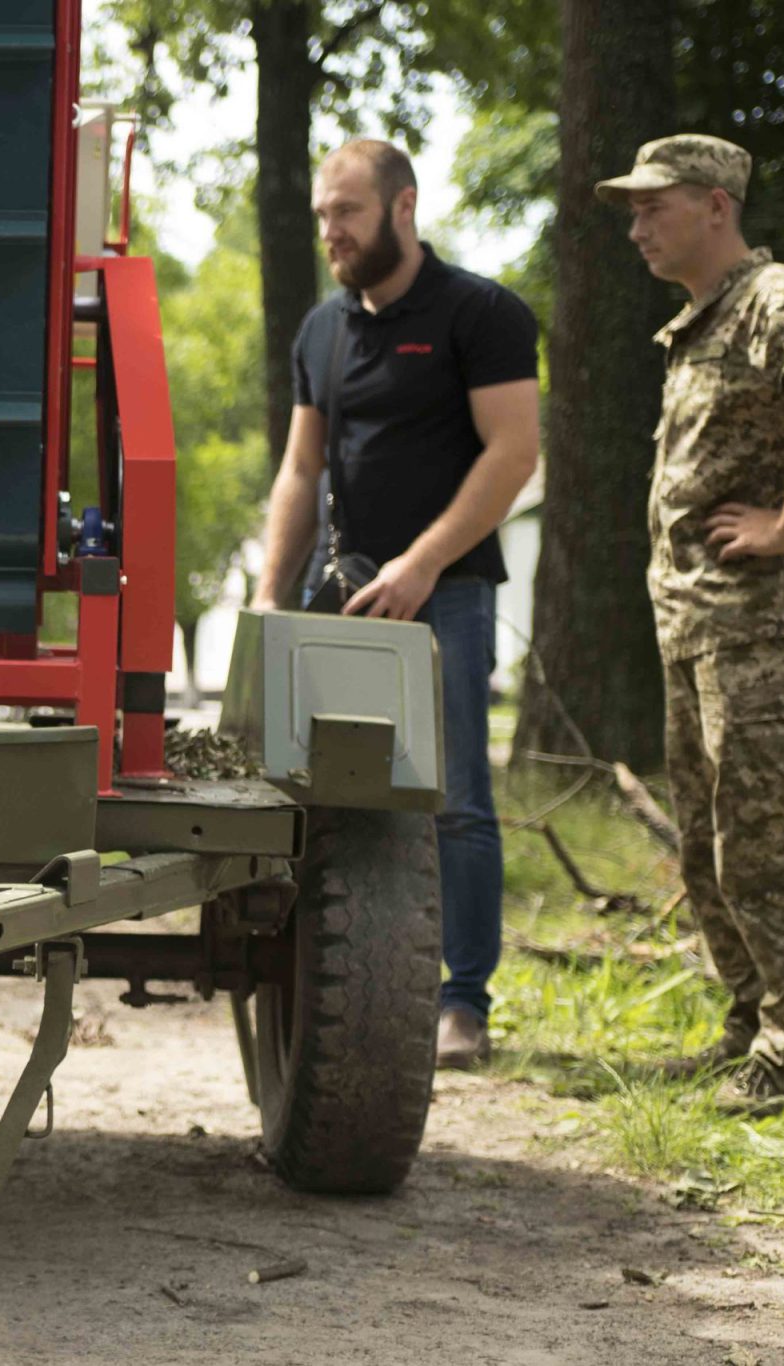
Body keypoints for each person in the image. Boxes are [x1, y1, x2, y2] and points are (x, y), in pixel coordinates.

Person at [596, 134, 784, 1112]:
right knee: (708, 850)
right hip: (699, 630)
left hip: (765, 631)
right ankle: (750, 1027)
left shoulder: (776, 300)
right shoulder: (698, 322)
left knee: (766, 846)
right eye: (629, 210)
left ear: (715, 205)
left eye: (652, 206)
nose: (634, 227)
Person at [250, 140, 542, 1070]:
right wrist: (267, 598)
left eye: (349, 213)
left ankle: (463, 1005)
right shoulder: (322, 332)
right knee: (299, 789)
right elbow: (302, 468)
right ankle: (314, 983)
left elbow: (512, 454)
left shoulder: (481, 314)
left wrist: (422, 564)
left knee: (452, 800)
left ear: (403, 208)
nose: (331, 231)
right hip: (337, 596)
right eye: (325, 215)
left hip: (445, 596)